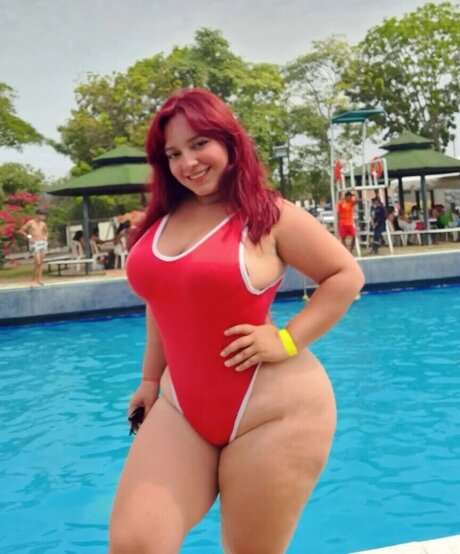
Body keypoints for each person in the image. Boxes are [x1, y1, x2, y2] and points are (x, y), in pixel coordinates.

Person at [109, 88, 364, 554]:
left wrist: (287, 340)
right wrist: (149, 378)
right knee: (135, 545)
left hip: (275, 414)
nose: (188, 163)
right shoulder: (162, 221)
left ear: (229, 141)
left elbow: (345, 276)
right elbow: (162, 298)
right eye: (173, 154)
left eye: (199, 144)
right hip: (182, 409)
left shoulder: (268, 214)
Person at [18, 209, 49, 286]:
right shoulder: (30, 223)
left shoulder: (43, 224)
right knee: (37, 262)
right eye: (43, 215)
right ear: (38, 215)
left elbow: (46, 231)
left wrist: (45, 237)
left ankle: (39, 280)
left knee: (40, 263)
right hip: (34, 243)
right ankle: (33, 280)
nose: (44, 217)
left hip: (42, 243)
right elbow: (21, 231)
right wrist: (29, 237)